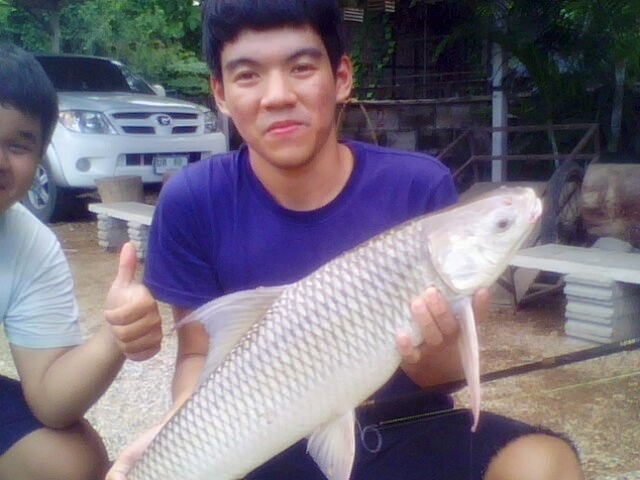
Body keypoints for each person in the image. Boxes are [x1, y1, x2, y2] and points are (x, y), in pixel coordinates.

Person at [108, 1, 584, 479]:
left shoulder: (419, 186)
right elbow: (197, 353)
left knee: (545, 465)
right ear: (221, 93)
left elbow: (442, 379)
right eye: (248, 75)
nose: (277, 95)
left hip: (408, 427)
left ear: (341, 78)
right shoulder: (192, 199)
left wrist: (441, 346)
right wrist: (176, 438)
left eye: (300, 67)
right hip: (266, 437)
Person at [0, 43, 163, 480]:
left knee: (73, 460)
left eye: (17, 145)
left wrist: (116, 334)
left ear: (39, 160)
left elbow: (51, 401)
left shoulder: (29, 245)